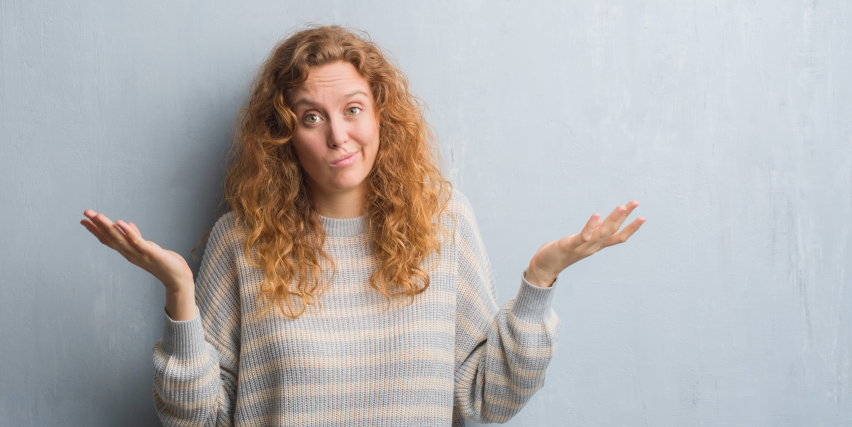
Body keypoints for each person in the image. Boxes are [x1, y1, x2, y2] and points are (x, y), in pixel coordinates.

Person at [79, 25, 644, 427]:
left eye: (352, 109)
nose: (338, 137)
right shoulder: (240, 242)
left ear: (381, 113)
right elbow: (199, 421)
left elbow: (483, 401)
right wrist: (181, 296)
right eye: (311, 117)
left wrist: (540, 281)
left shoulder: (443, 225)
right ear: (283, 135)